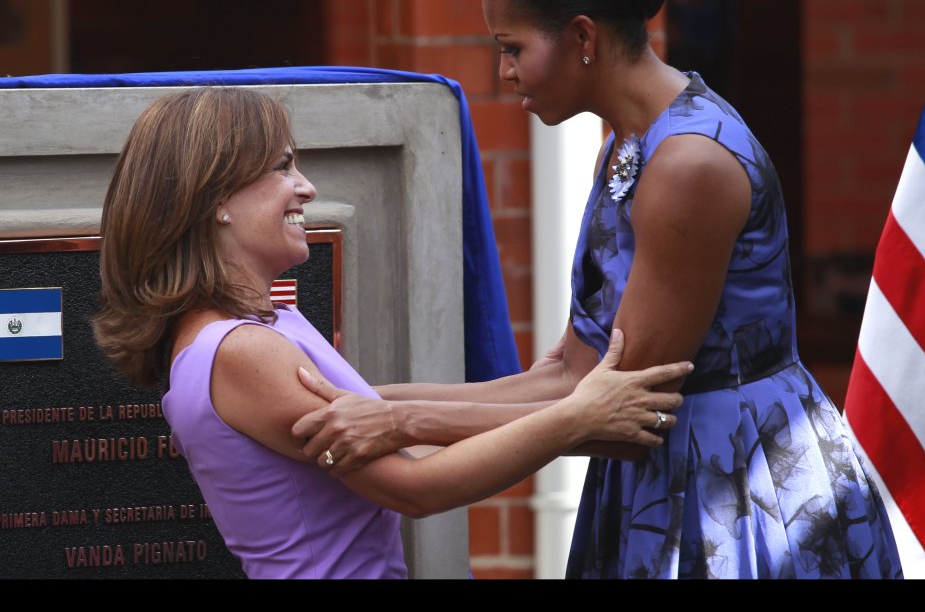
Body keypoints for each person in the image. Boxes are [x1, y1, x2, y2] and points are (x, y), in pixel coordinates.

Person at [292, 0, 903, 579]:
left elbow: (616, 406)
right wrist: (369, 401)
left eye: (513, 46)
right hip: (661, 476)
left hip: (739, 494)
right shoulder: (628, 144)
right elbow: (568, 375)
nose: (504, 74)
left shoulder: (689, 164)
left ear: (583, 36)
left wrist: (395, 421)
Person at [91, 87, 693, 579]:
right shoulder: (241, 351)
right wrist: (574, 418)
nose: (306, 187)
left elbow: (383, 410)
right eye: (282, 168)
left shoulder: (262, 323)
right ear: (215, 199)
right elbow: (413, 487)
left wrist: (544, 386)